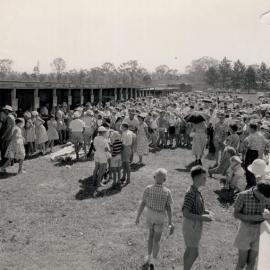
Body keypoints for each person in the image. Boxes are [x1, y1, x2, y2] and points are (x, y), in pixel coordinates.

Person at [135, 168, 174, 269]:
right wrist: (170, 221)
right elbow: (169, 208)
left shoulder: (148, 188)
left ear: (154, 177)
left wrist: (138, 217)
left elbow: (143, 203)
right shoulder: (167, 192)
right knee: (156, 240)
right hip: (160, 216)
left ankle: (148, 257)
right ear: (164, 180)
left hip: (150, 214)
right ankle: (154, 259)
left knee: (150, 236)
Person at [182, 166, 214, 270]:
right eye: (204, 178)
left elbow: (195, 208)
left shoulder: (196, 191)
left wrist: (206, 211)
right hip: (191, 226)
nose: (206, 180)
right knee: (194, 253)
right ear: (196, 179)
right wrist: (203, 218)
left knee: (189, 249)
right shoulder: (191, 193)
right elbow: (185, 213)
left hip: (194, 225)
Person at [233, 180, 270, 270]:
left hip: (260, 231)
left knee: (252, 262)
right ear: (257, 191)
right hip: (245, 229)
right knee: (241, 262)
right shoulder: (242, 196)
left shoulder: (266, 196)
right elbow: (236, 214)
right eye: (264, 198)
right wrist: (252, 218)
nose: (266, 200)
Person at [243, 122, 268, 189]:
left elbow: (245, 142)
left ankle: (249, 183)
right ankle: (254, 182)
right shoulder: (261, 135)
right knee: (255, 167)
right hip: (257, 152)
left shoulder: (251, 135)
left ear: (252, 129)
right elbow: (265, 143)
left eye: (249, 127)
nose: (248, 129)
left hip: (251, 152)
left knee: (248, 167)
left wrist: (247, 147)